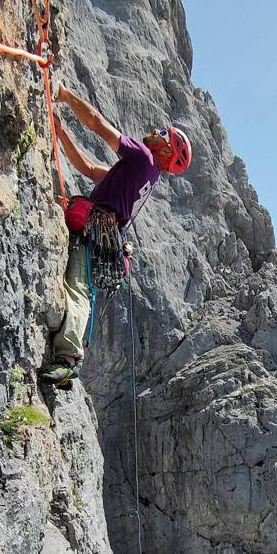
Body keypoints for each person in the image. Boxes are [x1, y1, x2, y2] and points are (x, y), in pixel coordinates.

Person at [41, 84, 192, 387]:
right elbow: (89, 168)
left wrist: (65, 94)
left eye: (164, 134)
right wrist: (60, 132)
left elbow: (96, 122)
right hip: (105, 241)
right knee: (81, 285)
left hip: (97, 235)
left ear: (166, 151)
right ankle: (67, 359)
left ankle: (68, 358)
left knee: (78, 286)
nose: (156, 131)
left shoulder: (142, 159)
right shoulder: (146, 174)